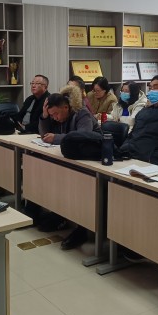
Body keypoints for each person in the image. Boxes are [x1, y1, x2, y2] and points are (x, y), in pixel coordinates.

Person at [38, 85, 100, 249]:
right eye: (52, 115)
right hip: (70, 158)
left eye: (56, 114)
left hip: (90, 160)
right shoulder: (60, 116)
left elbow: (83, 137)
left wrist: (57, 138)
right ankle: (59, 215)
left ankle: (82, 229)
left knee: (78, 188)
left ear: (66, 107)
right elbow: (45, 135)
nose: (55, 118)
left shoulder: (82, 113)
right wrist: (45, 116)